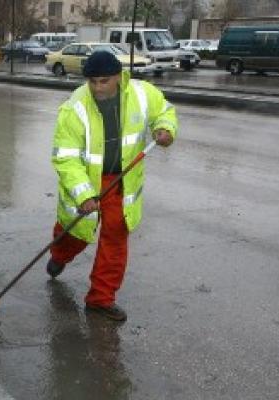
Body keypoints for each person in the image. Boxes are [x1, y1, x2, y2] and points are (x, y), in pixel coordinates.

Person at [47, 51, 178, 322]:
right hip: (86, 180)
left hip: (122, 180)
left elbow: (164, 111)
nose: (97, 88)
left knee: (115, 239)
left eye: (104, 81)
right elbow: (66, 157)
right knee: (75, 233)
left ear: (119, 77)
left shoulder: (143, 94)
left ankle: (100, 299)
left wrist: (165, 129)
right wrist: (83, 194)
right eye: (92, 82)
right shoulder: (74, 108)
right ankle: (60, 255)